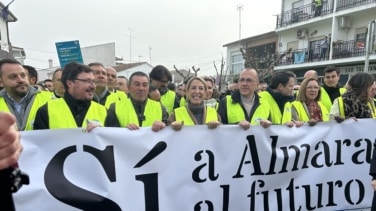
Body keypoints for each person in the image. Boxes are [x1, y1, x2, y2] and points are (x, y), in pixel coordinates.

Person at [33, 62, 120, 130]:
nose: (93, 86)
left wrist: (101, 134)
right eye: (87, 81)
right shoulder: (46, 111)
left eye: (93, 81)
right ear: (70, 83)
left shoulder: (105, 113)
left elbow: (115, 144)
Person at [0, 59, 52, 131]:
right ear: (1, 82)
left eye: (23, 75)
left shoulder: (50, 99)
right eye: (13, 77)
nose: (21, 80)